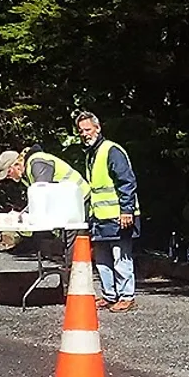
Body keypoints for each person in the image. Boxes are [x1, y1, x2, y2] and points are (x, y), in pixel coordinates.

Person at [75, 110, 140, 311]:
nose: (84, 134)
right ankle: (110, 295)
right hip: (101, 217)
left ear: (98, 127)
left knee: (121, 257)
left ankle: (126, 296)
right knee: (102, 259)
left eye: (87, 129)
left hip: (119, 216)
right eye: (81, 131)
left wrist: (126, 210)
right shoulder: (91, 154)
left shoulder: (111, 151)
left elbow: (126, 182)